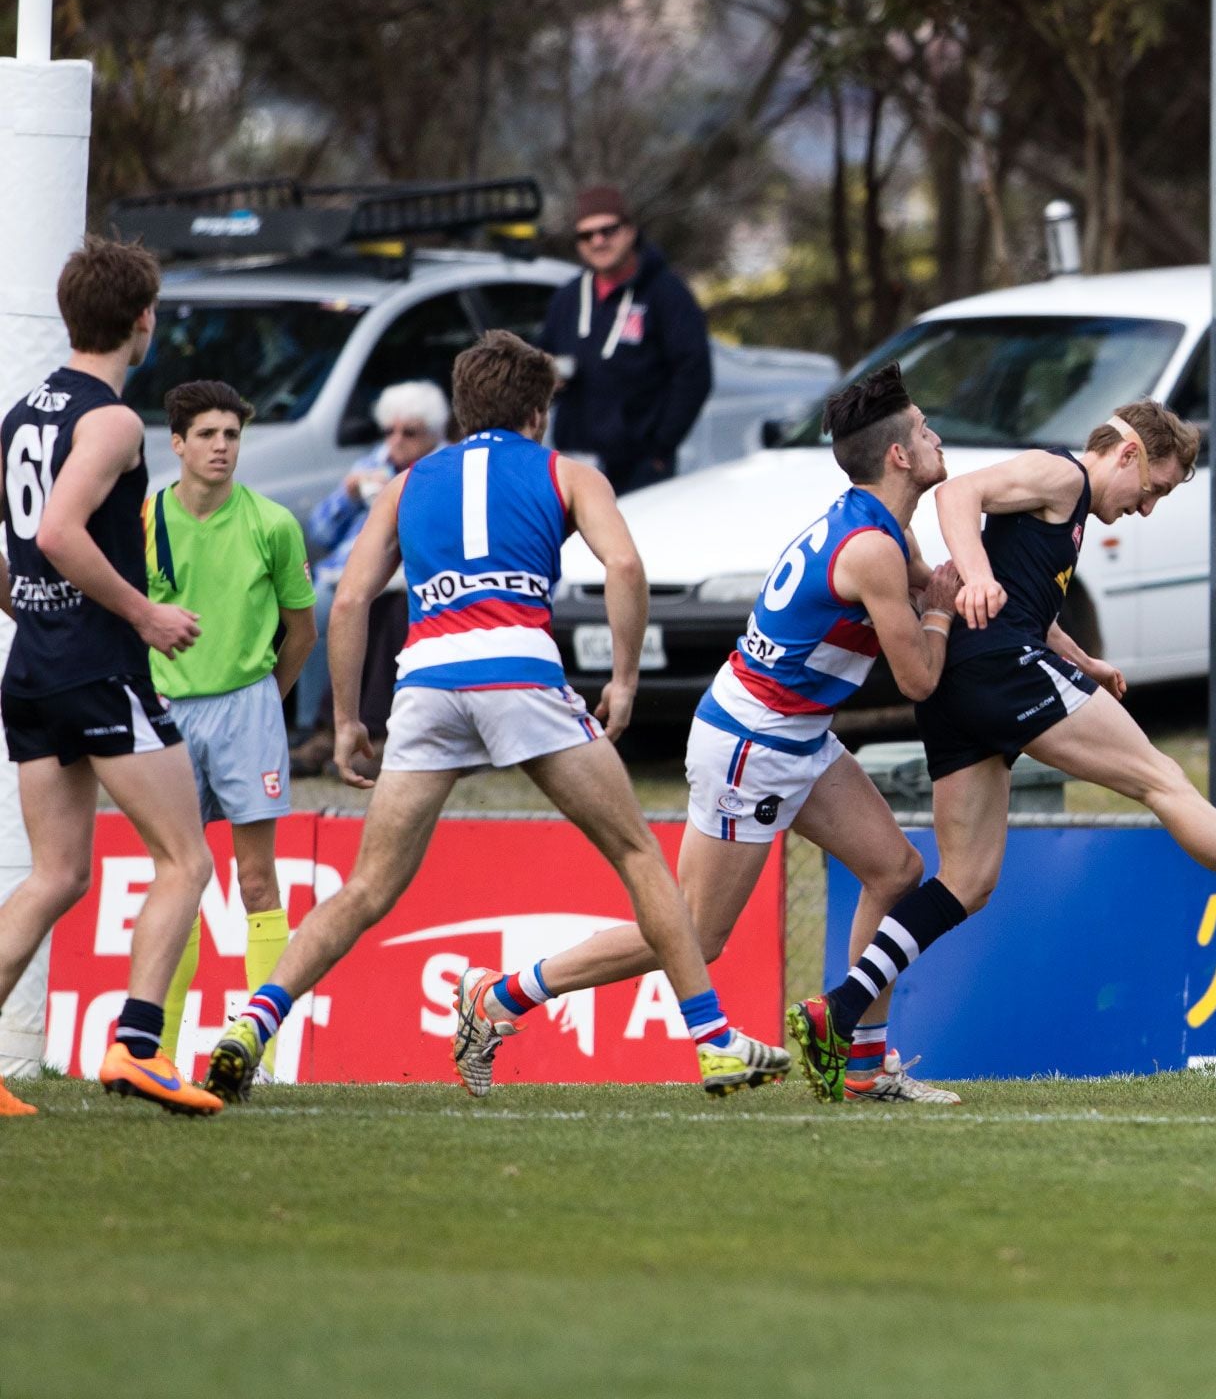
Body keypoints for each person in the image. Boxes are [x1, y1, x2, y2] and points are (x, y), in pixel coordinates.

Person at [203, 331, 786, 1101]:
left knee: (368, 888)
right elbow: (625, 566)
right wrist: (623, 679)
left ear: (458, 410)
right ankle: (713, 1044)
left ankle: (254, 1020)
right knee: (640, 856)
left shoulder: (406, 484)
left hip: (429, 681)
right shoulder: (566, 472)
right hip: (517, 670)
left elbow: (347, 598)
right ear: (539, 412)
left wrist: (347, 718)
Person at [784, 400, 1216, 1104]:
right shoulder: (1063, 475)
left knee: (968, 881)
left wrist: (1081, 658)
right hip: (998, 671)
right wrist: (974, 575)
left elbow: (1025, 603)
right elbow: (958, 493)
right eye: (1155, 489)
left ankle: (843, 1009)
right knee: (1161, 779)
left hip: (956, 687)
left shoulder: (1065, 512)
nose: (1148, 508)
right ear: (1128, 453)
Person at [449, 365, 959, 1097]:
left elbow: (923, 584)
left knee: (895, 870)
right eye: (923, 428)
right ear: (899, 456)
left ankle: (862, 1067)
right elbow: (917, 678)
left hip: (794, 733)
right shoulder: (875, 547)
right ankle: (499, 997)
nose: (936, 435)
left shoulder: (880, 526)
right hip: (753, 743)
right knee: (694, 935)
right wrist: (939, 609)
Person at [0, 236, 221, 1117]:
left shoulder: (22, 411)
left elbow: (21, 548)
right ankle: (136, 1049)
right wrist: (144, 614)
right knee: (185, 857)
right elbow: (57, 531)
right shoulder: (115, 419)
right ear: (142, 321)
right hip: (97, 667)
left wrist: (35, 616)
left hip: (34, 667)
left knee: (57, 875)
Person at [141, 380, 317, 1069]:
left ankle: (259, 1060)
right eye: (208, 435)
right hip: (167, 716)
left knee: (256, 881)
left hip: (247, 707)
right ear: (178, 442)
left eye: (232, 435)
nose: (221, 447)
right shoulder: (145, 521)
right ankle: (154, 1052)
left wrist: (265, 702)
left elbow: (300, 633)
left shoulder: (272, 523)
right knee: (178, 877)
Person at [293, 380, 447, 756]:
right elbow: (320, 531)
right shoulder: (372, 465)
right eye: (389, 430)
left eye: (409, 432)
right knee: (330, 606)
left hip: (410, 577)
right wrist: (348, 495)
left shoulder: (442, 470)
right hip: (351, 575)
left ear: (432, 433)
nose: (396, 440)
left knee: (370, 610)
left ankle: (369, 730)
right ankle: (321, 725)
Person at [539, 185, 711, 494]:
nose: (598, 241)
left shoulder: (666, 293)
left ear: (630, 231)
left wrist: (660, 448)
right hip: (575, 462)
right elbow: (540, 361)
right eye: (586, 235)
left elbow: (694, 373)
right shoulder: (567, 298)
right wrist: (549, 379)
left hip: (640, 466)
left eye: (608, 230)